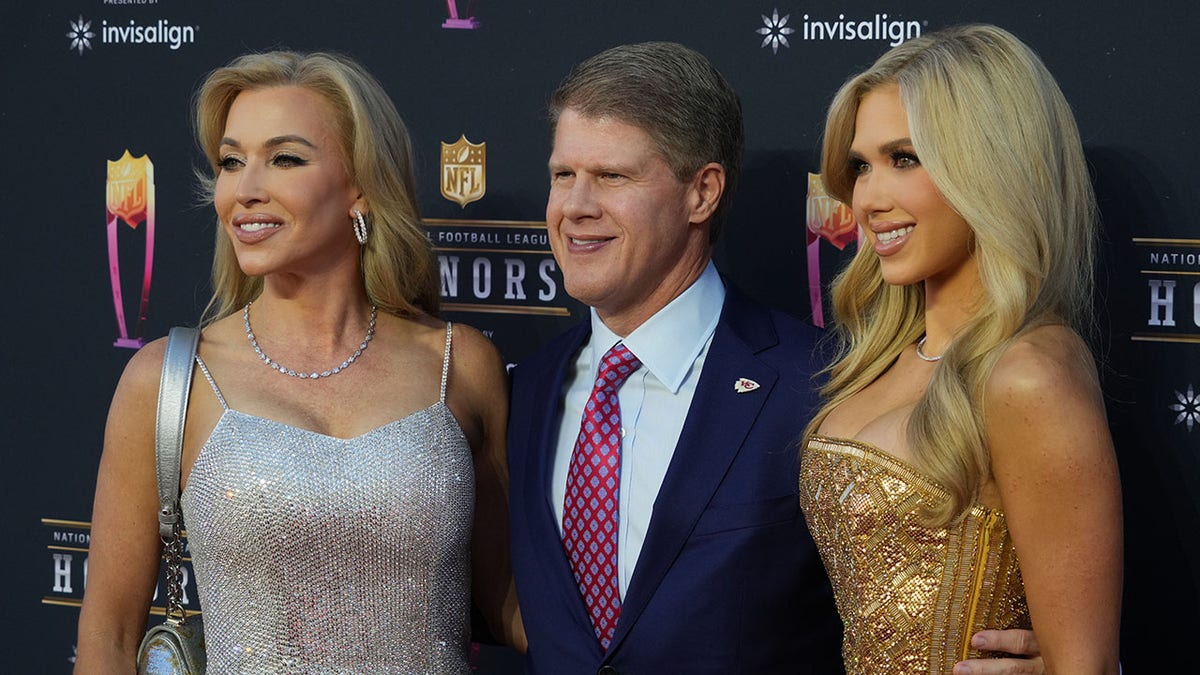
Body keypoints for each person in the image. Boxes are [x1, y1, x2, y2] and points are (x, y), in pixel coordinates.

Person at [75, 51, 521, 673]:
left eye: (284, 159)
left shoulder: (460, 365)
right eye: (232, 162)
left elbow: (513, 606)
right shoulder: (167, 381)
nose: (245, 189)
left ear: (360, 185)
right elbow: (110, 642)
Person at [506, 40, 845, 674]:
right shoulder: (524, 392)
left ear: (702, 192)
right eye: (562, 175)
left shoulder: (821, 384)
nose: (574, 207)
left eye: (611, 176)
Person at [800, 24, 1122, 675]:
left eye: (905, 158)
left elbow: (1086, 663)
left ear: (991, 166)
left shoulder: (1028, 375)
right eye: (861, 166)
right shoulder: (887, 358)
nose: (868, 198)